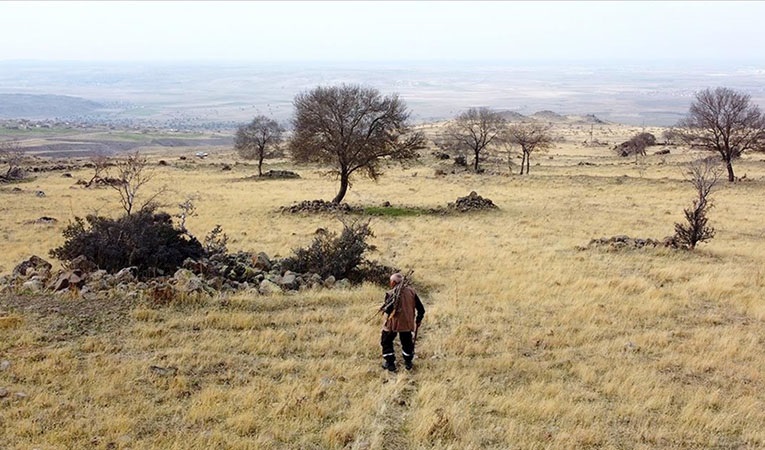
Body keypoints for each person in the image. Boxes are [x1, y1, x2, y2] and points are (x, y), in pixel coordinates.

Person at [379, 273, 425, 372]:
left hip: (392, 324)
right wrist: (418, 319)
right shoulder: (412, 292)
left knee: (386, 341)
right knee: (407, 343)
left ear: (393, 282)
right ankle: (408, 362)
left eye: (391, 281)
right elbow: (421, 309)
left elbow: (388, 310)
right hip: (407, 323)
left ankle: (390, 363)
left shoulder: (391, 294)